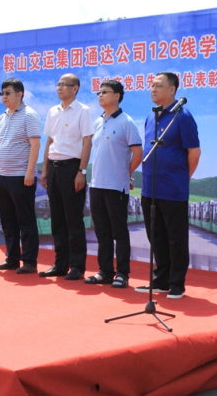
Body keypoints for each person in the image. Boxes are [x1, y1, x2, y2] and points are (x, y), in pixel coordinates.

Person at [134, 72, 201, 300]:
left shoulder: (183, 116)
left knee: (176, 238)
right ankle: (160, 280)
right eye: (152, 85)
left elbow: (194, 152)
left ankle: (176, 284)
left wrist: (184, 177)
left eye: (158, 86)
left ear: (172, 90)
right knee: (156, 237)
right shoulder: (150, 116)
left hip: (173, 188)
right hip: (150, 187)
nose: (153, 89)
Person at [84, 80, 142, 288]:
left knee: (119, 231)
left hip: (116, 186)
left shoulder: (126, 121)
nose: (100, 95)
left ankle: (122, 274)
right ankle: (105, 271)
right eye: (98, 92)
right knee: (102, 231)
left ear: (117, 96)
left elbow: (138, 152)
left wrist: (125, 173)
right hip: (96, 184)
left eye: (105, 92)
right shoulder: (97, 122)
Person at [39, 73, 94, 280]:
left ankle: (77, 266)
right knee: (57, 219)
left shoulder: (83, 111)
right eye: (58, 84)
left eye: (64, 84)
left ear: (75, 88)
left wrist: (82, 171)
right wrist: (45, 169)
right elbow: (49, 141)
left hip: (72, 168)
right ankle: (60, 264)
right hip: (54, 167)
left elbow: (87, 143)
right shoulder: (53, 111)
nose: (59, 88)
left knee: (73, 218)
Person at [0, 78, 41, 274]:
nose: (4, 97)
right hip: (2, 176)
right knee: (7, 220)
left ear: (19, 94)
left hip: (21, 176)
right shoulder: (2, 117)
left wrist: (30, 172)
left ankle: (29, 261)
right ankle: (12, 258)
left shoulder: (29, 115)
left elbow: (35, 145)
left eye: (8, 93)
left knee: (25, 220)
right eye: (2, 93)